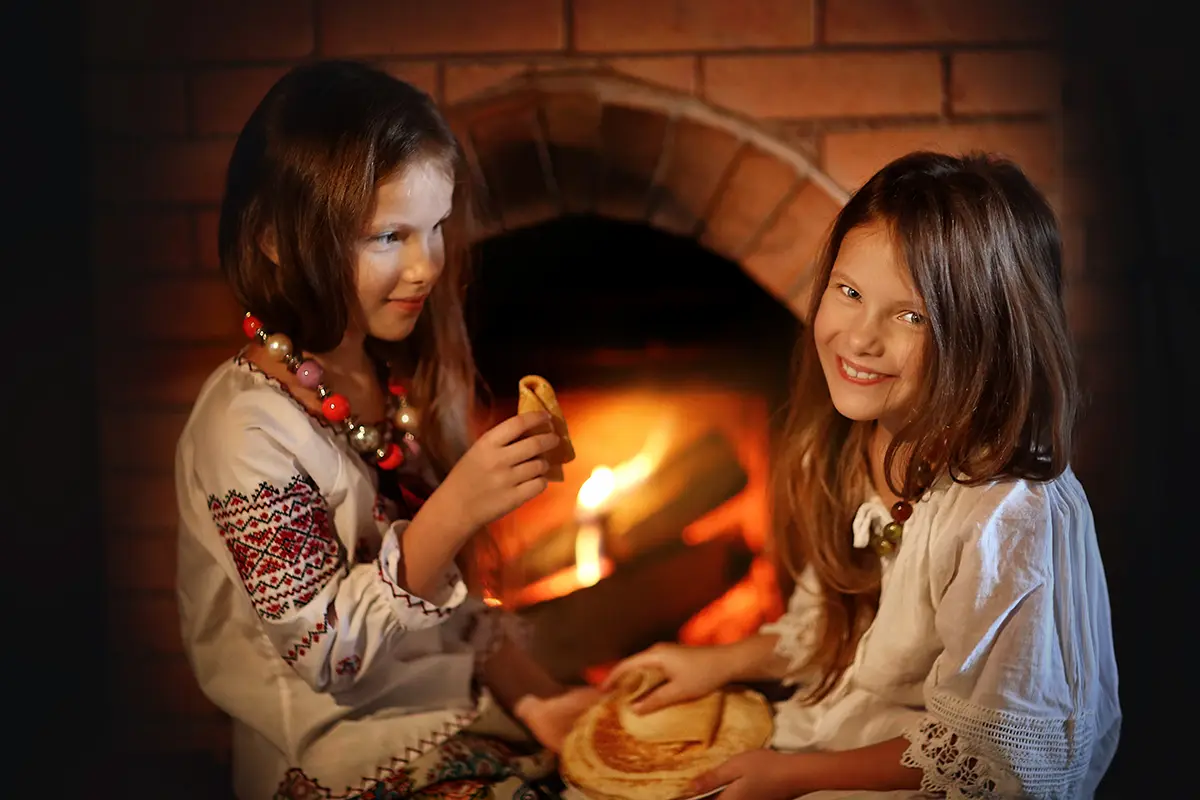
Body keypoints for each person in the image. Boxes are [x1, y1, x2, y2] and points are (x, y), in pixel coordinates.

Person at [605, 152, 1121, 799]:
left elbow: (999, 753)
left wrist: (790, 777)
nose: (860, 338)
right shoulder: (867, 443)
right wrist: (719, 661)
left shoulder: (1006, 514)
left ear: (984, 335)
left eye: (910, 315)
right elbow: (838, 625)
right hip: (846, 739)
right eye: (848, 292)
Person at [174, 60, 599, 800]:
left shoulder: (390, 379)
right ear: (276, 237)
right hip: (343, 761)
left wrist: (540, 701)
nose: (427, 266)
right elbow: (327, 652)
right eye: (388, 236)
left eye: (435, 228)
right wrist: (457, 508)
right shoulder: (245, 430)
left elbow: (456, 610)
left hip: (458, 718)